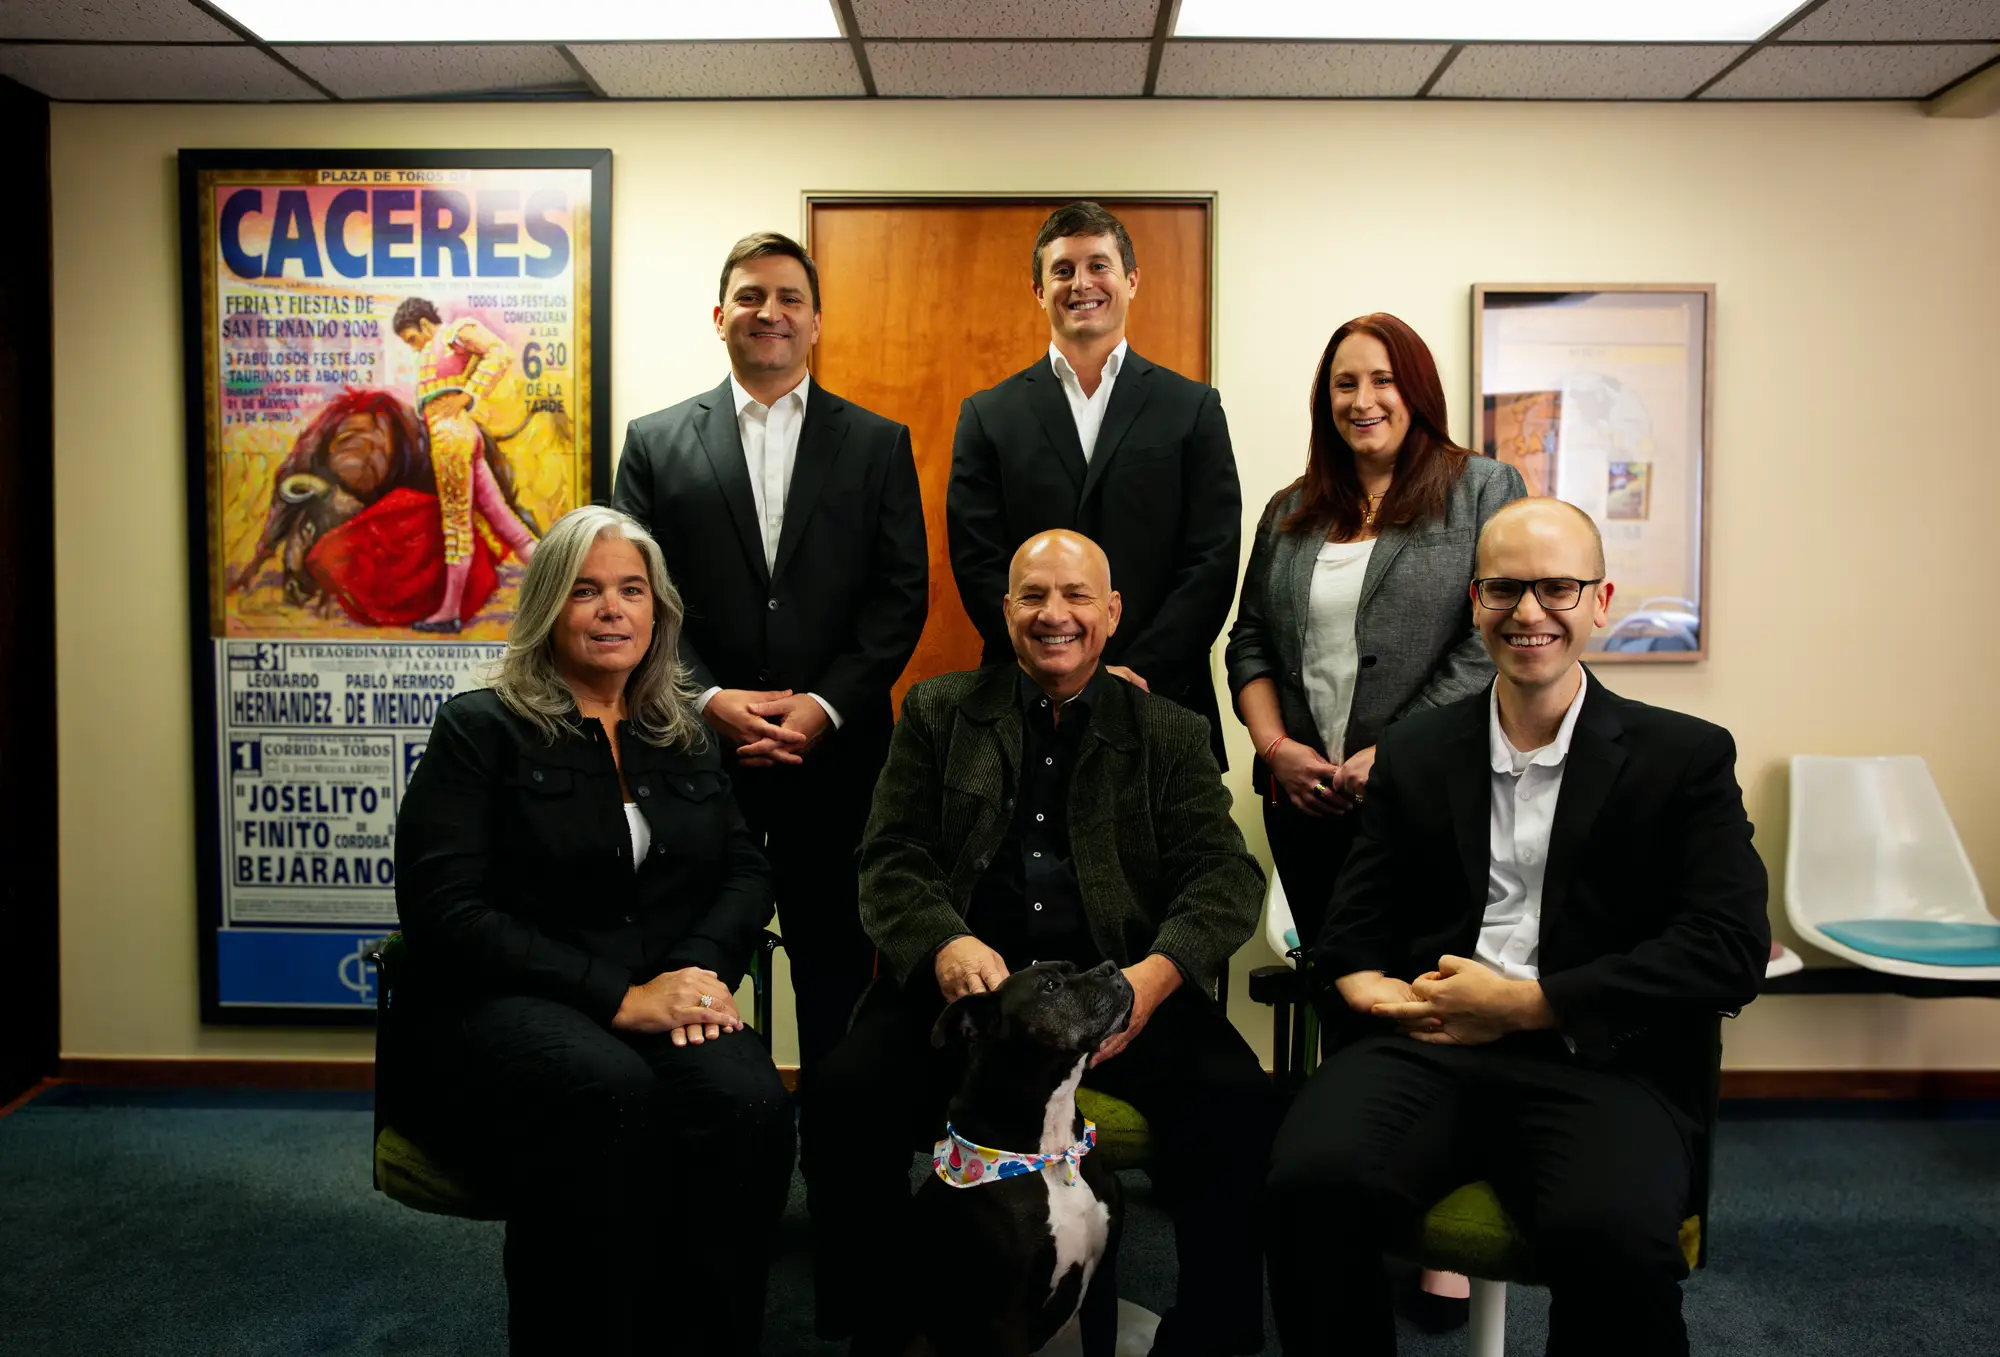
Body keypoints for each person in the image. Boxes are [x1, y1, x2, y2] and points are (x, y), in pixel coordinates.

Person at [1263, 499, 1770, 1357]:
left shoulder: (1684, 758)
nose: (1528, 612)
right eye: (1504, 588)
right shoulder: (1417, 750)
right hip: (1427, 1044)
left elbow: (1728, 949)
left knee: (1613, 1236)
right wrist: (1358, 980)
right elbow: (1355, 919)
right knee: (1307, 1183)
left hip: (1599, 1062)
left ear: (1600, 600)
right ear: (1474, 599)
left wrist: (1531, 1004)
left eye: (1557, 587)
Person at [811, 529, 1278, 1357]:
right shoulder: (938, 710)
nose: (1053, 614)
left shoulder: (1167, 731)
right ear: (1005, 610)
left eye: (1075, 596)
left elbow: (1224, 878)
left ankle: (1214, 1332)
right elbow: (889, 859)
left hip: (1116, 991)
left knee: (1236, 1099)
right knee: (848, 1091)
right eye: (1033, 596)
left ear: (1111, 613)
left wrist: (1152, 978)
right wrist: (944, 941)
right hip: (970, 1002)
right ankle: (877, 1319)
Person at [393, 504, 794, 1356]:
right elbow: (445, 910)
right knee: (609, 1096)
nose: (612, 609)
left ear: (658, 614)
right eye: (585, 591)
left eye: (630, 590)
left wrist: (694, 972)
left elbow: (744, 868)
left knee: (751, 1102)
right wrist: (619, 997)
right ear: (548, 607)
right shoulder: (480, 728)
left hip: (660, 988)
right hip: (508, 1001)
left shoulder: (680, 731)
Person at [612, 231, 928, 1079]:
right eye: (751, 296)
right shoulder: (654, 441)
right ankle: (711, 1151)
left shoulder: (877, 442)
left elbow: (900, 599)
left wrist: (822, 707)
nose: (771, 312)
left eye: (790, 297)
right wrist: (707, 696)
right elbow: (630, 596)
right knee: (689, 958)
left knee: (837, 968)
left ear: (817, 321)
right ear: (720, 317)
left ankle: (835, 1169)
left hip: (837, 758)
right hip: (692, 753)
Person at [1227, 312, 1525, 953]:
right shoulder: (1289, 509)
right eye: (1344, 384)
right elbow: (1249, 638)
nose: (1362, 401)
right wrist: (1276, 747)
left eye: (1383, 380)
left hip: (1430, 796)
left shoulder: (1482, 489)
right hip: (1307, 804)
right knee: (1333, 982)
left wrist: (1396, 751)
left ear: (1416, 389)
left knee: (1420, 993)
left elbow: (1488, 642)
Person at [947, 201, 1240, 767]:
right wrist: (1055, 667)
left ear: (1130, 281)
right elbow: (977, 558)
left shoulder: (1193, 408)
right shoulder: (988, 414)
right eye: (1062, 270)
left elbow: (1213, 557)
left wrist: (1140, 669)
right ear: (1039, 291)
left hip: (1160, 696)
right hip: (1024, 698)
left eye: (1098, 266)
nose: (1081, 283)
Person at [392, 297, 541, 632]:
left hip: (450, 435)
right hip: (460, 434)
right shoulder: (443, 344)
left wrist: (468, 394)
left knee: (456, 523)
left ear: (425, 325)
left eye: (413, 339)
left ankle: (449, 612)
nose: (415, 348)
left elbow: (499, 352)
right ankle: (560, 586)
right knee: (500, 516)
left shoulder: (453, 333)